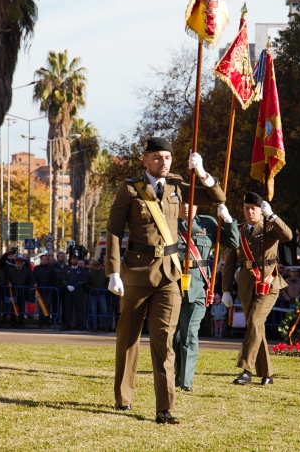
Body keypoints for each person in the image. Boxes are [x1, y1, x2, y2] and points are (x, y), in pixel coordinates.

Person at [106, 137, 224, 424]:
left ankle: (164, 408)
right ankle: (124, 397)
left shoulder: (178, 186)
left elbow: (218, 198)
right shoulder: (129, 189)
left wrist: (204, 173)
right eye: (157, 157)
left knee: (164, 340)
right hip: (136, 272)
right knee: (128, 338)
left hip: (169, 274)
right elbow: (113, 230)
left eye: (167, 158)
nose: (163, 162)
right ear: (145, 160)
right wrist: (113, 271)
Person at [222, 192, 293, 387]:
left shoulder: (270, 227)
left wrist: (273, 216)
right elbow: (229, 264)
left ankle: (246, 370)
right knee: (256, 328)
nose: (250, 211)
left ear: (261, 210)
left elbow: (288, 235)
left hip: (268, 283)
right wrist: (226, 290)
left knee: (254, 322)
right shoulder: (238, 231)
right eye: (247, 208)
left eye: (254, 208)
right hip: (246, 284)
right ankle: (267, 374)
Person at [173, 202, 239, 391]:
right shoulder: (169, 223)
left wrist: (227, 220)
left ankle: (186, 382)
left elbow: (233, 243)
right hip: (173, 287)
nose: (186, 206)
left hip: (198, 288)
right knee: (175, 337)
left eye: (191, 202)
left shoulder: (208, 224)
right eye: (182, 202)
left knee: (190, 334)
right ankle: (178, 375)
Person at [62, 257, 88, 331]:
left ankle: (79, 325)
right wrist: (67, 286)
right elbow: (63, 279)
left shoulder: (81, 270)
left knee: (79, 309)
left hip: (78, 292)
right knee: (68, 309)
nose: (75, 261)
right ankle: (68, 325)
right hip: (68, 292)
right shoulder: (67, 269)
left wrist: (75, 287)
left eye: (76, 259)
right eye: (73, 259)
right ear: (71, 260)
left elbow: (83, 280)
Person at [6, 254, 31, 328]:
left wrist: (27, 287)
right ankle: (12, 323)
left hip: (22, 292)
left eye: (21, 263)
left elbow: (29, 279)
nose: (19, 264)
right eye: (18, 263)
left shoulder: (26, 271)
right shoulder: (11, 270)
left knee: (22, 308)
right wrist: (8, 282)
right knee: (13, 308)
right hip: (13, 292)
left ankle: (21, 323)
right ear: (15, 263)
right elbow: (7, 278)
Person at [84, 259, 109, 332]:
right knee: (93, 310)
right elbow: (86, 283)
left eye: (98, 265)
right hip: (93, 294)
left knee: (104, 310)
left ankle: (105, 326)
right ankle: (95, 326)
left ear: (100, 265)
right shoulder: (90, 274)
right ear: (93, 266)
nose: (97, 266)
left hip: (102, 293)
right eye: (95, 265)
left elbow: (108, 282)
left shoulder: (104, 273)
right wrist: (92, 289)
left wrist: (104, 289)